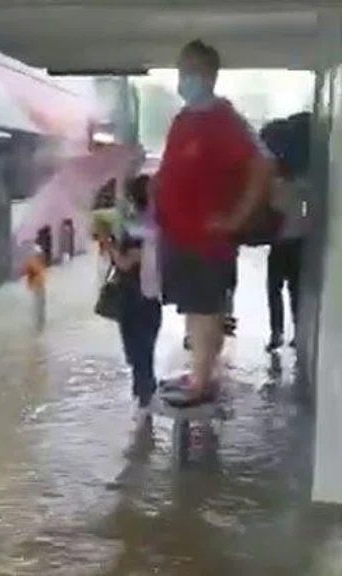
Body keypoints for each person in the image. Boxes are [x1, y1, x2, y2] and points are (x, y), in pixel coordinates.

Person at [153, 40, 275, 406]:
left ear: (207, 74)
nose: (182, 79)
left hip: (205, 241)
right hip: (179, 237)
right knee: (193, 310)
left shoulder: (224, 120)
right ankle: (199, 374)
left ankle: (200, 384)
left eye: (187, 71)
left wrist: (236, 217)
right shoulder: (183, 119)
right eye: (180, 70)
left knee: (205, 310)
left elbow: (262, 166)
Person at [104, 175, 162, 418]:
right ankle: (144, 394)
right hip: (148, 295)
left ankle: (145, 399)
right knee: (141, 350)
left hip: (135, 295)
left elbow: (126, 263)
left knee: (138, 351)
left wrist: (109, 246)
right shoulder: (150, 224)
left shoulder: (139, 227)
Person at [260, 114, 310, 350]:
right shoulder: (302, 181)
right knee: (292, 290)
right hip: (294, 241)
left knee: (276, 289)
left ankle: (278, 332)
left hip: (282, 241)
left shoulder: (275, 181)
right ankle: (292, 332)